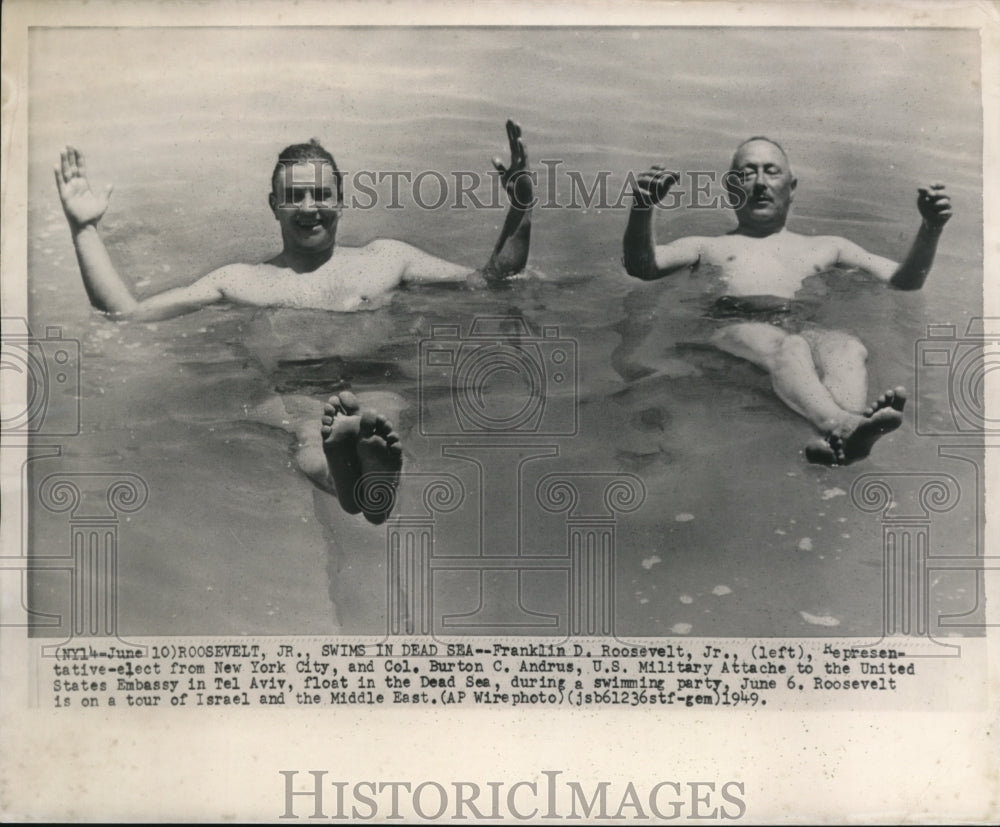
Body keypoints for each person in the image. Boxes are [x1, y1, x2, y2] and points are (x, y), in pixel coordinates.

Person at [56, 121, 533, 521]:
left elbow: (487, 281)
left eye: (321, 194)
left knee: (374, 422)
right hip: (294, 388)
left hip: (376, 376)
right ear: (274, 206)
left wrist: (520, 207)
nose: (309, 207)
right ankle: (355, 482)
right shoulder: (242, 280)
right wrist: (85, 230)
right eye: (295, 197)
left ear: (342, 201)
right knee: (311, 433)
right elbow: (129, 314)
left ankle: (363, 481)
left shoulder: (387, 259)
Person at [621, 136, 952, 465]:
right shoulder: (707, 246)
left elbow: (905, 281)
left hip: (800, 325)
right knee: (788, 346)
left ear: (792, 186)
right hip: (731, 325)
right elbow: (644, 267)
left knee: (846, 346)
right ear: (730, 188)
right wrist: (642, 207)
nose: (761, 183)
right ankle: (842, 424)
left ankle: (839, 437)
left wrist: (930, 229)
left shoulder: (828, 246)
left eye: (771, 171)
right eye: (748, 173)